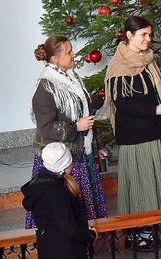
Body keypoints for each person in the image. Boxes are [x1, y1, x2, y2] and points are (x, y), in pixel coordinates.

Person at [104, 16, 161, 252]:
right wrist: (154, 109)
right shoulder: (119, 66)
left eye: (149, 34)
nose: (149, 39)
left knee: (154, 184)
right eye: (144, 35)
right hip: (136, 138)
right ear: (129, 36)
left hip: (155, 132)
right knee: (141, 186)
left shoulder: (147, 59)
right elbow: (123, 104)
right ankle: (137, 234)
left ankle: (149, 230)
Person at [26, 36, 107, 230]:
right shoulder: (45, 87)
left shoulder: (72, 77)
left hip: (81, 153)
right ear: (55, 59)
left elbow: (84, 114)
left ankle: (90, 239)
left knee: (86, 205)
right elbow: (45, 127)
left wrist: (97, 145)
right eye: (69, 52)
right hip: (62, 161)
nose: (74, 55)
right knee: (67, 210)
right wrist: (75, 127)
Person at [22, 142, 98, 259]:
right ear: (65, 166)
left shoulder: (39, 183)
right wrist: (91, 235)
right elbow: (70, 230)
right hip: (66, 251)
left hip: (47, 247)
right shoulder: (57, 191)